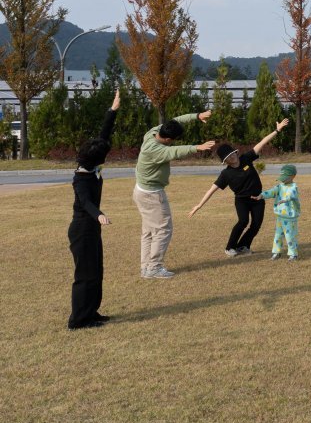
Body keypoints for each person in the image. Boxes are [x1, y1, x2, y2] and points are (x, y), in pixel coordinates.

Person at [188, 118, 290, 256]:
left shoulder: (246, 158)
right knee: (243, 221)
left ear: (235, 152)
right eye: (228, 158)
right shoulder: (226, 174)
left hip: (258, 198)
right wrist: (199, 205)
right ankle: (229, 247)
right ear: (225, 162)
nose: (232, 158)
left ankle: (243, 246)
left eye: (232, 154)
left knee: (256, 224)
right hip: (241, 200)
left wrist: (277, 130)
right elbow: (211, 190)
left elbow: (262, 143)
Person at [133, 110, 216, 279]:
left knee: (149, 230)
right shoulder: (156, 150)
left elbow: (175, 120)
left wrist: (197, 116)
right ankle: (154, 267)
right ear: (169, 139)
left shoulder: (152, 133)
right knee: (163, 229)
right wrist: (197, 147)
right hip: (152, 195)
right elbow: (176, 151)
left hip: (141, 191)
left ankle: (146, 267)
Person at [67, 92, 120, 330]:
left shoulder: (91, 165)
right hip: (82, 229)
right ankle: (78, 320)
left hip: (92, 229)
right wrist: (98, 214)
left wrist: (113, 110)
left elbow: (103, 137)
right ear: (96, 159)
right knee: (84, 276)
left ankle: (92, 312)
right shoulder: (81, 178)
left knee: (97, 272)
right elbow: (85, 202)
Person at [258, 164, 301, 261]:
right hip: (280, 216)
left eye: (285, 178)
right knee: (278, 235)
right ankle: (276, 252)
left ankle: (293, 254)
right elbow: (272, 192)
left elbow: (292, 194)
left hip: (290, 217)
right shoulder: (280, 186)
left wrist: (286, 199)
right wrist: (262, 195)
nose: (282, 180)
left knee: (290, 236)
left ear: (293, 176)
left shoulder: (294, 187)